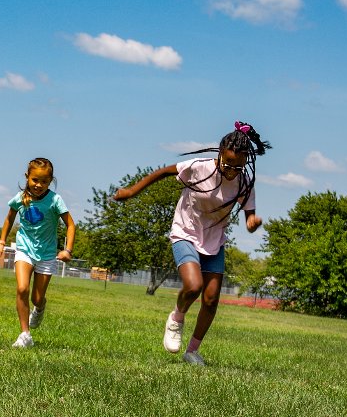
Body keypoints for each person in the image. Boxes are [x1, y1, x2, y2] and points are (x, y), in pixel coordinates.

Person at [114, 121, 270, 366]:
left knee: (210, 299)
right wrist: (132, 192)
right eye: (228, 164)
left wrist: (252, 221)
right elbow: (164, 171)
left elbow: (249, 211)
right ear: (219, 154)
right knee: (193, 284)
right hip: (185, 232)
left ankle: (192, 351)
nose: (231, 170)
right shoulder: (199, 168)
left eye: (237, 167)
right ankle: (177, 318)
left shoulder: (243, 182)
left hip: (214, 241)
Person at [0, 158, 76, 348]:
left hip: (47, 254)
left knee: (37, 298)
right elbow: (9, 220)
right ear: (27, 177)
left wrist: (67, 250)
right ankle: (25, 335)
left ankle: (39, 308)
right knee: (22, 288)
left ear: (50, 181)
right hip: (24, 249)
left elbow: (71, 225)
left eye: (44, 181)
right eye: (35, 180)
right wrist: (1, 240)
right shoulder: (19, 199)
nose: (39, 185)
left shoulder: (55, 200)